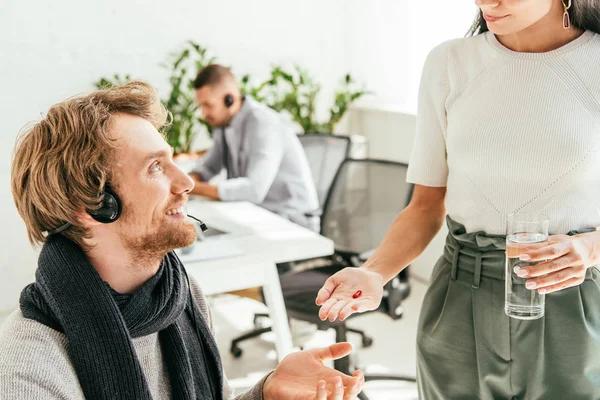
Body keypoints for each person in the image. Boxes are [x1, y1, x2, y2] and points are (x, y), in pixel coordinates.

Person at [0, 81, 364, 400]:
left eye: (171, 160)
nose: (186, 183)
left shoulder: (181, 297)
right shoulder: (29, 372)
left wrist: (265, 393)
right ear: (93, 205)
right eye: (155, 167)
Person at [315, 0, 600, 398]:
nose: (486, 1)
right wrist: (375, 272)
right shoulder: (449, 64)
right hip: (459, 299)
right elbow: (425, 206)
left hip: (574, 299)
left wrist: (590, 247)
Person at [189, 64, 320, 232]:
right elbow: (208, 167)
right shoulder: (223, 125)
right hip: (257, 216)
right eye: (201, 106)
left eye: (208, 105)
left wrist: (195, 188)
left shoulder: (263, 123)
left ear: (230, 99)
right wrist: (186, 181)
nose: (204, 113)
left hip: (291, 221)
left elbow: (254, 190)